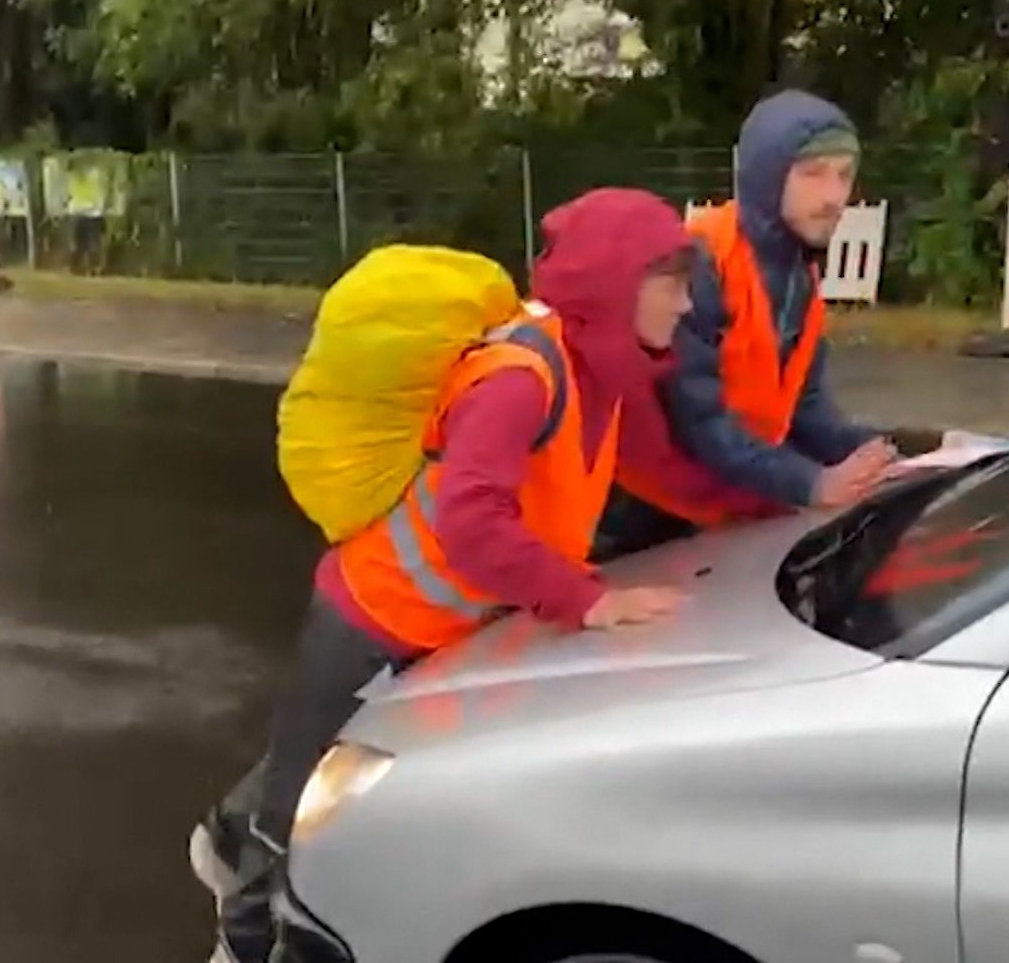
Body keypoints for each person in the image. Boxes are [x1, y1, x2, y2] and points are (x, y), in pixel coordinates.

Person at [188, 187, 702, 963]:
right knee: (304, 820)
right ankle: (243, 933)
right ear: (620, 281)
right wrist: (586, 601)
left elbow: (647, 473)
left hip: (441, 638)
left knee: (350, 791)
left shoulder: (600, 370)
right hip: (370, 623)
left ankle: (233, 849)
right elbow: (470, 520)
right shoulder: (524, 376)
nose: (688, 304)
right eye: (674, 283)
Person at [599, 91, 898, 556]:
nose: (835, 197)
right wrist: (812, 483)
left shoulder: (800, 270)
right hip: (643, 517)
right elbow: (701, 424)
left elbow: (804, 405)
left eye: (844, 175)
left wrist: (879, 455)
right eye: (813, 174)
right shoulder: (702, 260)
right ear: (766, 175)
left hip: (726, 498)